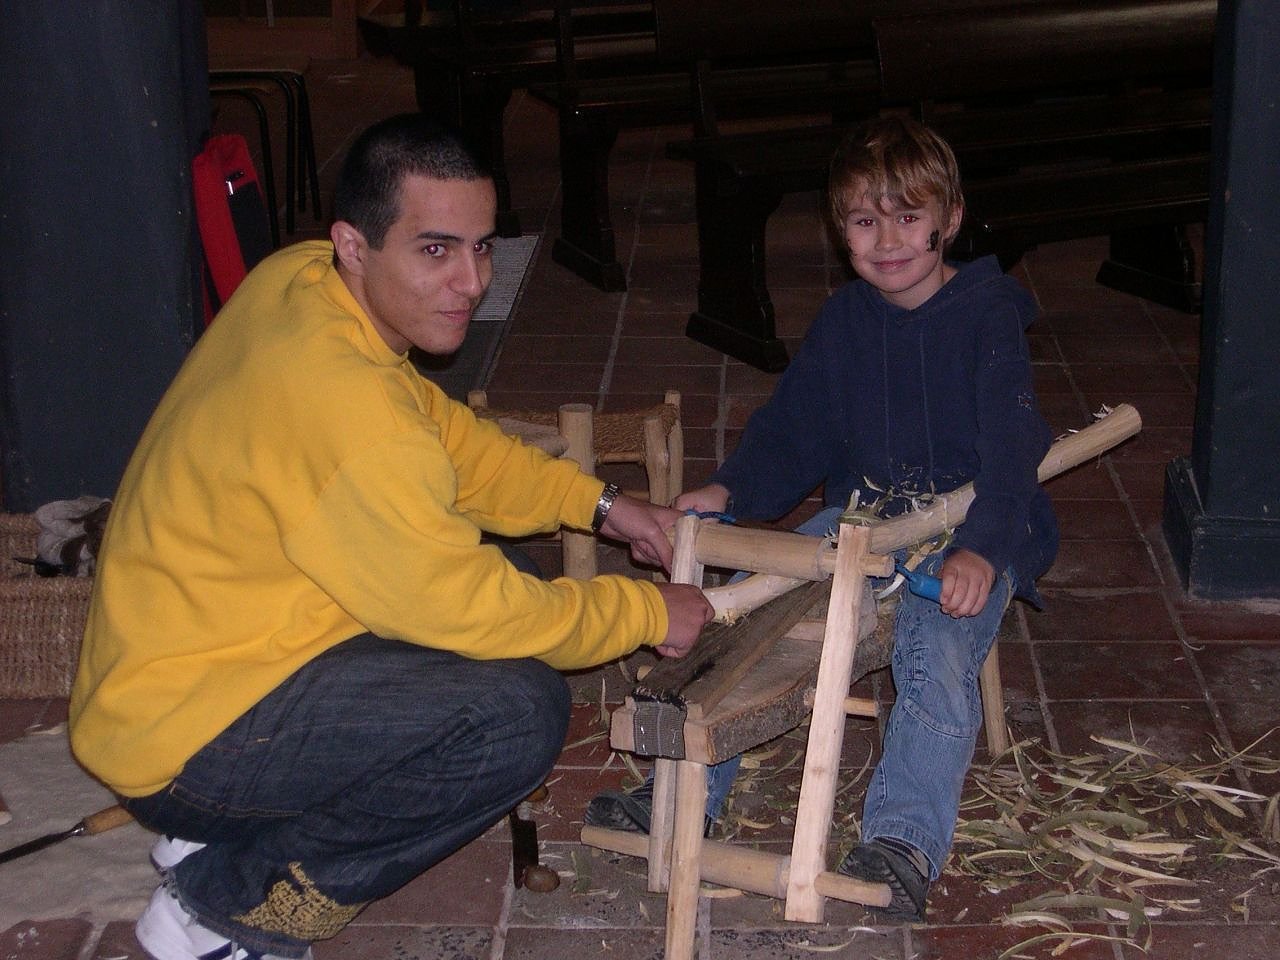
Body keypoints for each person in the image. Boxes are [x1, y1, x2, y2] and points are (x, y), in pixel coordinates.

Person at [68, 113, 713, 960]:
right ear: (354, 244)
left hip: (193, 670)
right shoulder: (349, 414)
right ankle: (225, 909)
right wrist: (644, 613)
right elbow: (462, 600)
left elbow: (445, 441)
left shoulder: (303, 281)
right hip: (185, 743)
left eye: (481, 248)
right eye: (435, 250)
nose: (470, 282)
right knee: (514, 716)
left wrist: (601, 504)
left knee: (501, 579)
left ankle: (225, 831)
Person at [586, 115, 1058, 922]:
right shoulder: (846, 323)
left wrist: (983, 549)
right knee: (753, 611)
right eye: (865, 221)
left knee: (935, 645)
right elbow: (793, 429)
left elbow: (1015, 449)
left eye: (908, 217)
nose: (888, 240)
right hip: (864, 514)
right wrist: (730, 490)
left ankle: (904, 839)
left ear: (950, 218)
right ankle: (683, 790)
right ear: (841, 230)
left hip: (976, 520)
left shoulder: (986, 316)